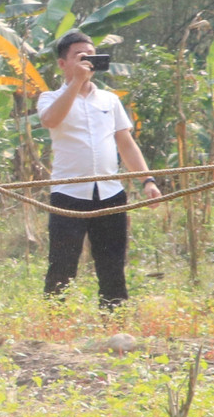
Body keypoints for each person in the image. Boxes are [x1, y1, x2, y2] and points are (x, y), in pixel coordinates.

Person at [37, 30, 162, 306]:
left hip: (109, 193)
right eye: (80, 57)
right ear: (62, 64)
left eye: (92, 56)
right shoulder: (49, 98)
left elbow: (126, 144)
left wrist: (148, 181)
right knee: (62, 264)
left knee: (112, 263)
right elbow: (51, 121)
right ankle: (53, 322)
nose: (88, 62)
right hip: (68, 194)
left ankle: (114, 319)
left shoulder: (109, 100)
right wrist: (76, 84)